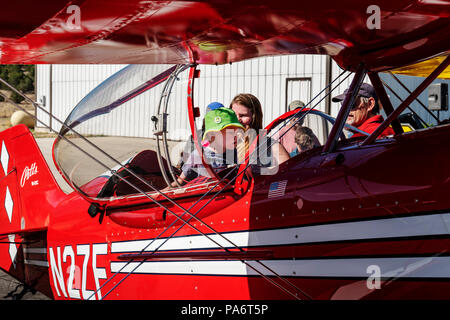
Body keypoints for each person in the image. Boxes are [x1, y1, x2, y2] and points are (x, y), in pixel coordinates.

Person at [170, 107, 245, 187]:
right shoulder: (198, 156)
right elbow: (179, 182)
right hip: (204, 197)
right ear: (212, 136)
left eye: (237, 132)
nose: (236, 136)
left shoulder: (234, 153)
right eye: (230, 133)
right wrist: (161, 193)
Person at [229, 93, 290, 167]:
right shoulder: (226, 144)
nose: (238, 120)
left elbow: (288, 172)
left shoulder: (270, 146)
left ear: (255, 117)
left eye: (243, 115)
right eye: (234, 116)